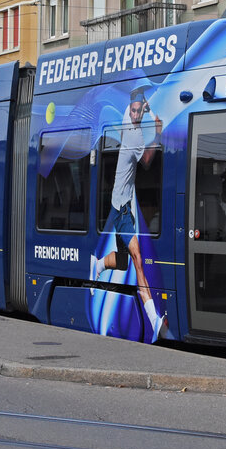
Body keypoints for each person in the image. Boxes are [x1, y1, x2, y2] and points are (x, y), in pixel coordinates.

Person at [91, 85, 167, 341]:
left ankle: (98, 264)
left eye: (138, 110)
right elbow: (147, 161)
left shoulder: (127, 115)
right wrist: (157, 133)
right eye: (134, 110)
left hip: (121, 205)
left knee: (122, 262)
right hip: (122, 208)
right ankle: (154, 319)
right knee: (137, 259)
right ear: (130, 111)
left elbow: (139, 103)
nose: (135, 114)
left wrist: (145, 106)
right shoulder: (134, 137)